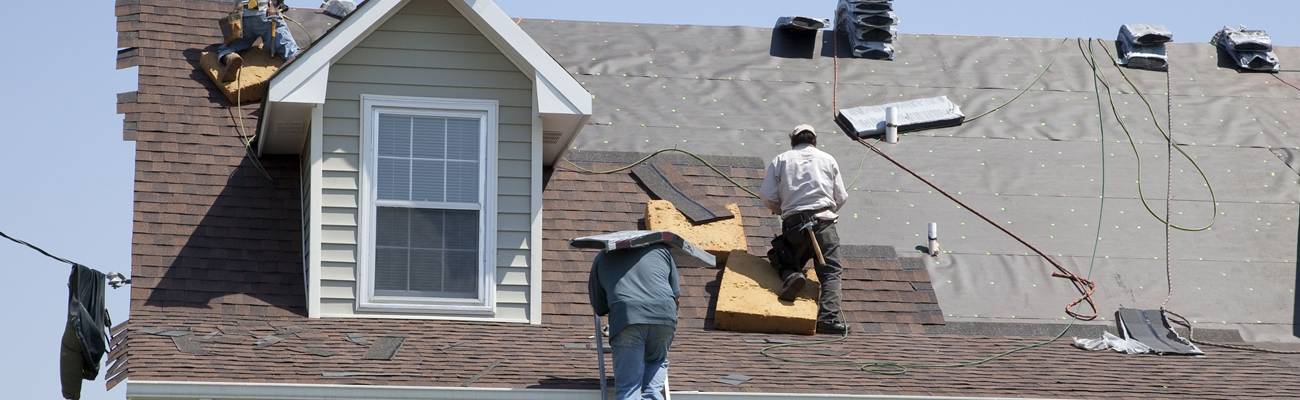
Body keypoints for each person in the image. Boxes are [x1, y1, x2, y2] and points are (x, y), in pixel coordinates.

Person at [759, 124, 851, 335]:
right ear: (815, 142)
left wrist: (783, 210)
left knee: (784, 260)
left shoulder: (781, 160)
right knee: (831, 271)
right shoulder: (827, 159)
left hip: (794, 225)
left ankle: (791, 275)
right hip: (823, 222)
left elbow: (767, 195)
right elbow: (841, 197)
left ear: (793, 142)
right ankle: (828, 318)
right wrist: (825, 211)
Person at [588, 243, 680, 400]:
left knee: (629, 389)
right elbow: (677, 298)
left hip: (628, 316)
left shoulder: (603, 257)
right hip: (665, 314)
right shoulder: (661, 250)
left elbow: (599, 307)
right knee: (656, 361)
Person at [217, 0, 300, 82]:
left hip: (242, 17)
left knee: (227, 48)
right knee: (289, 50)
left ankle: (230, 57)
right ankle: (301, 70)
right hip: (266, 14)